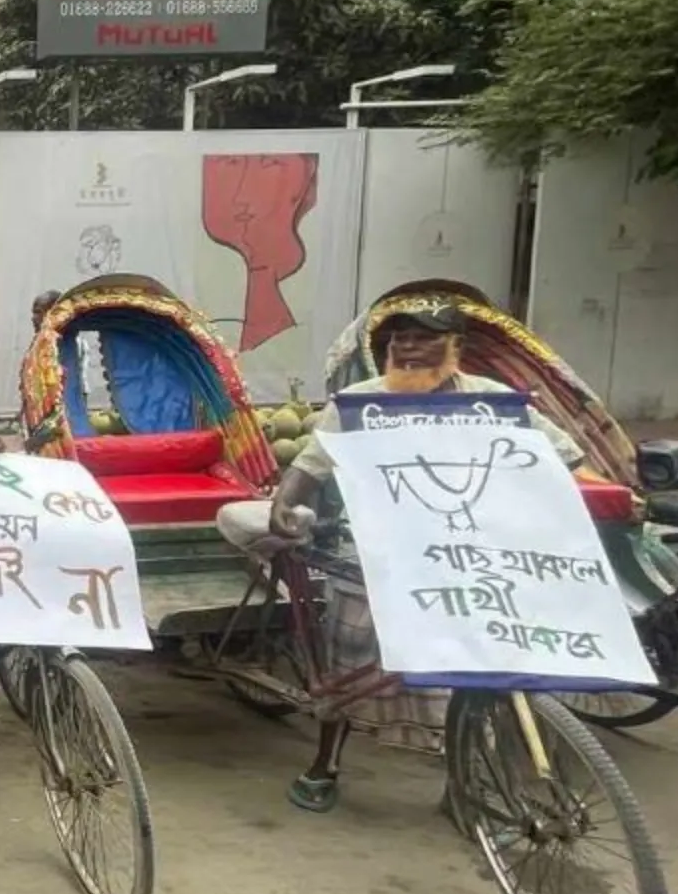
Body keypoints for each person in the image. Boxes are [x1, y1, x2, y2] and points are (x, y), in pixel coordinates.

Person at [226, 301, 588, 813]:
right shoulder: (358, 404)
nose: (409, 347)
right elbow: (309, 467)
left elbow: (563, 456)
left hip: (475, 555)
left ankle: (464, 783)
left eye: (425, 338)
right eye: (400, 340)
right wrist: (285, 502)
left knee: (486, 665)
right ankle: (325, 762)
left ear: (456, 347)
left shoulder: (496, 402)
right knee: (346, 663)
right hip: (377, 553)